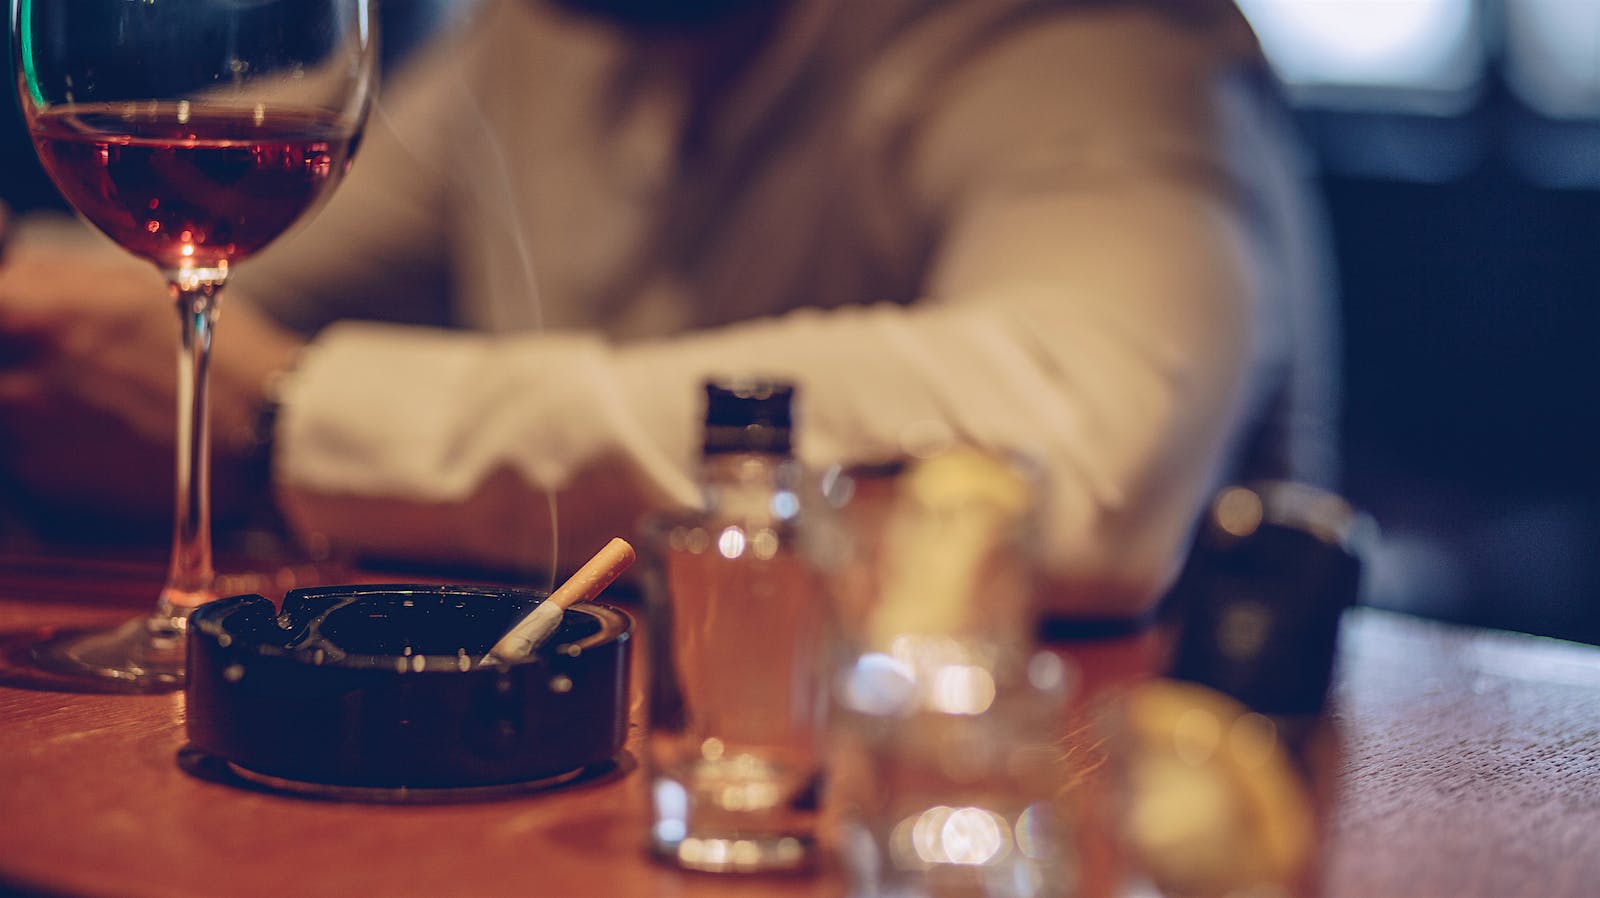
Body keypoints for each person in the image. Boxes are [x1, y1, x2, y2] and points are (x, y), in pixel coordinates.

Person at [0, 0, 1338, 618]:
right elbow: (190, 268)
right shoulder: (544, 38)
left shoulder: (1082, 37)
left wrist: (295, 419)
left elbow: (1077, 452)